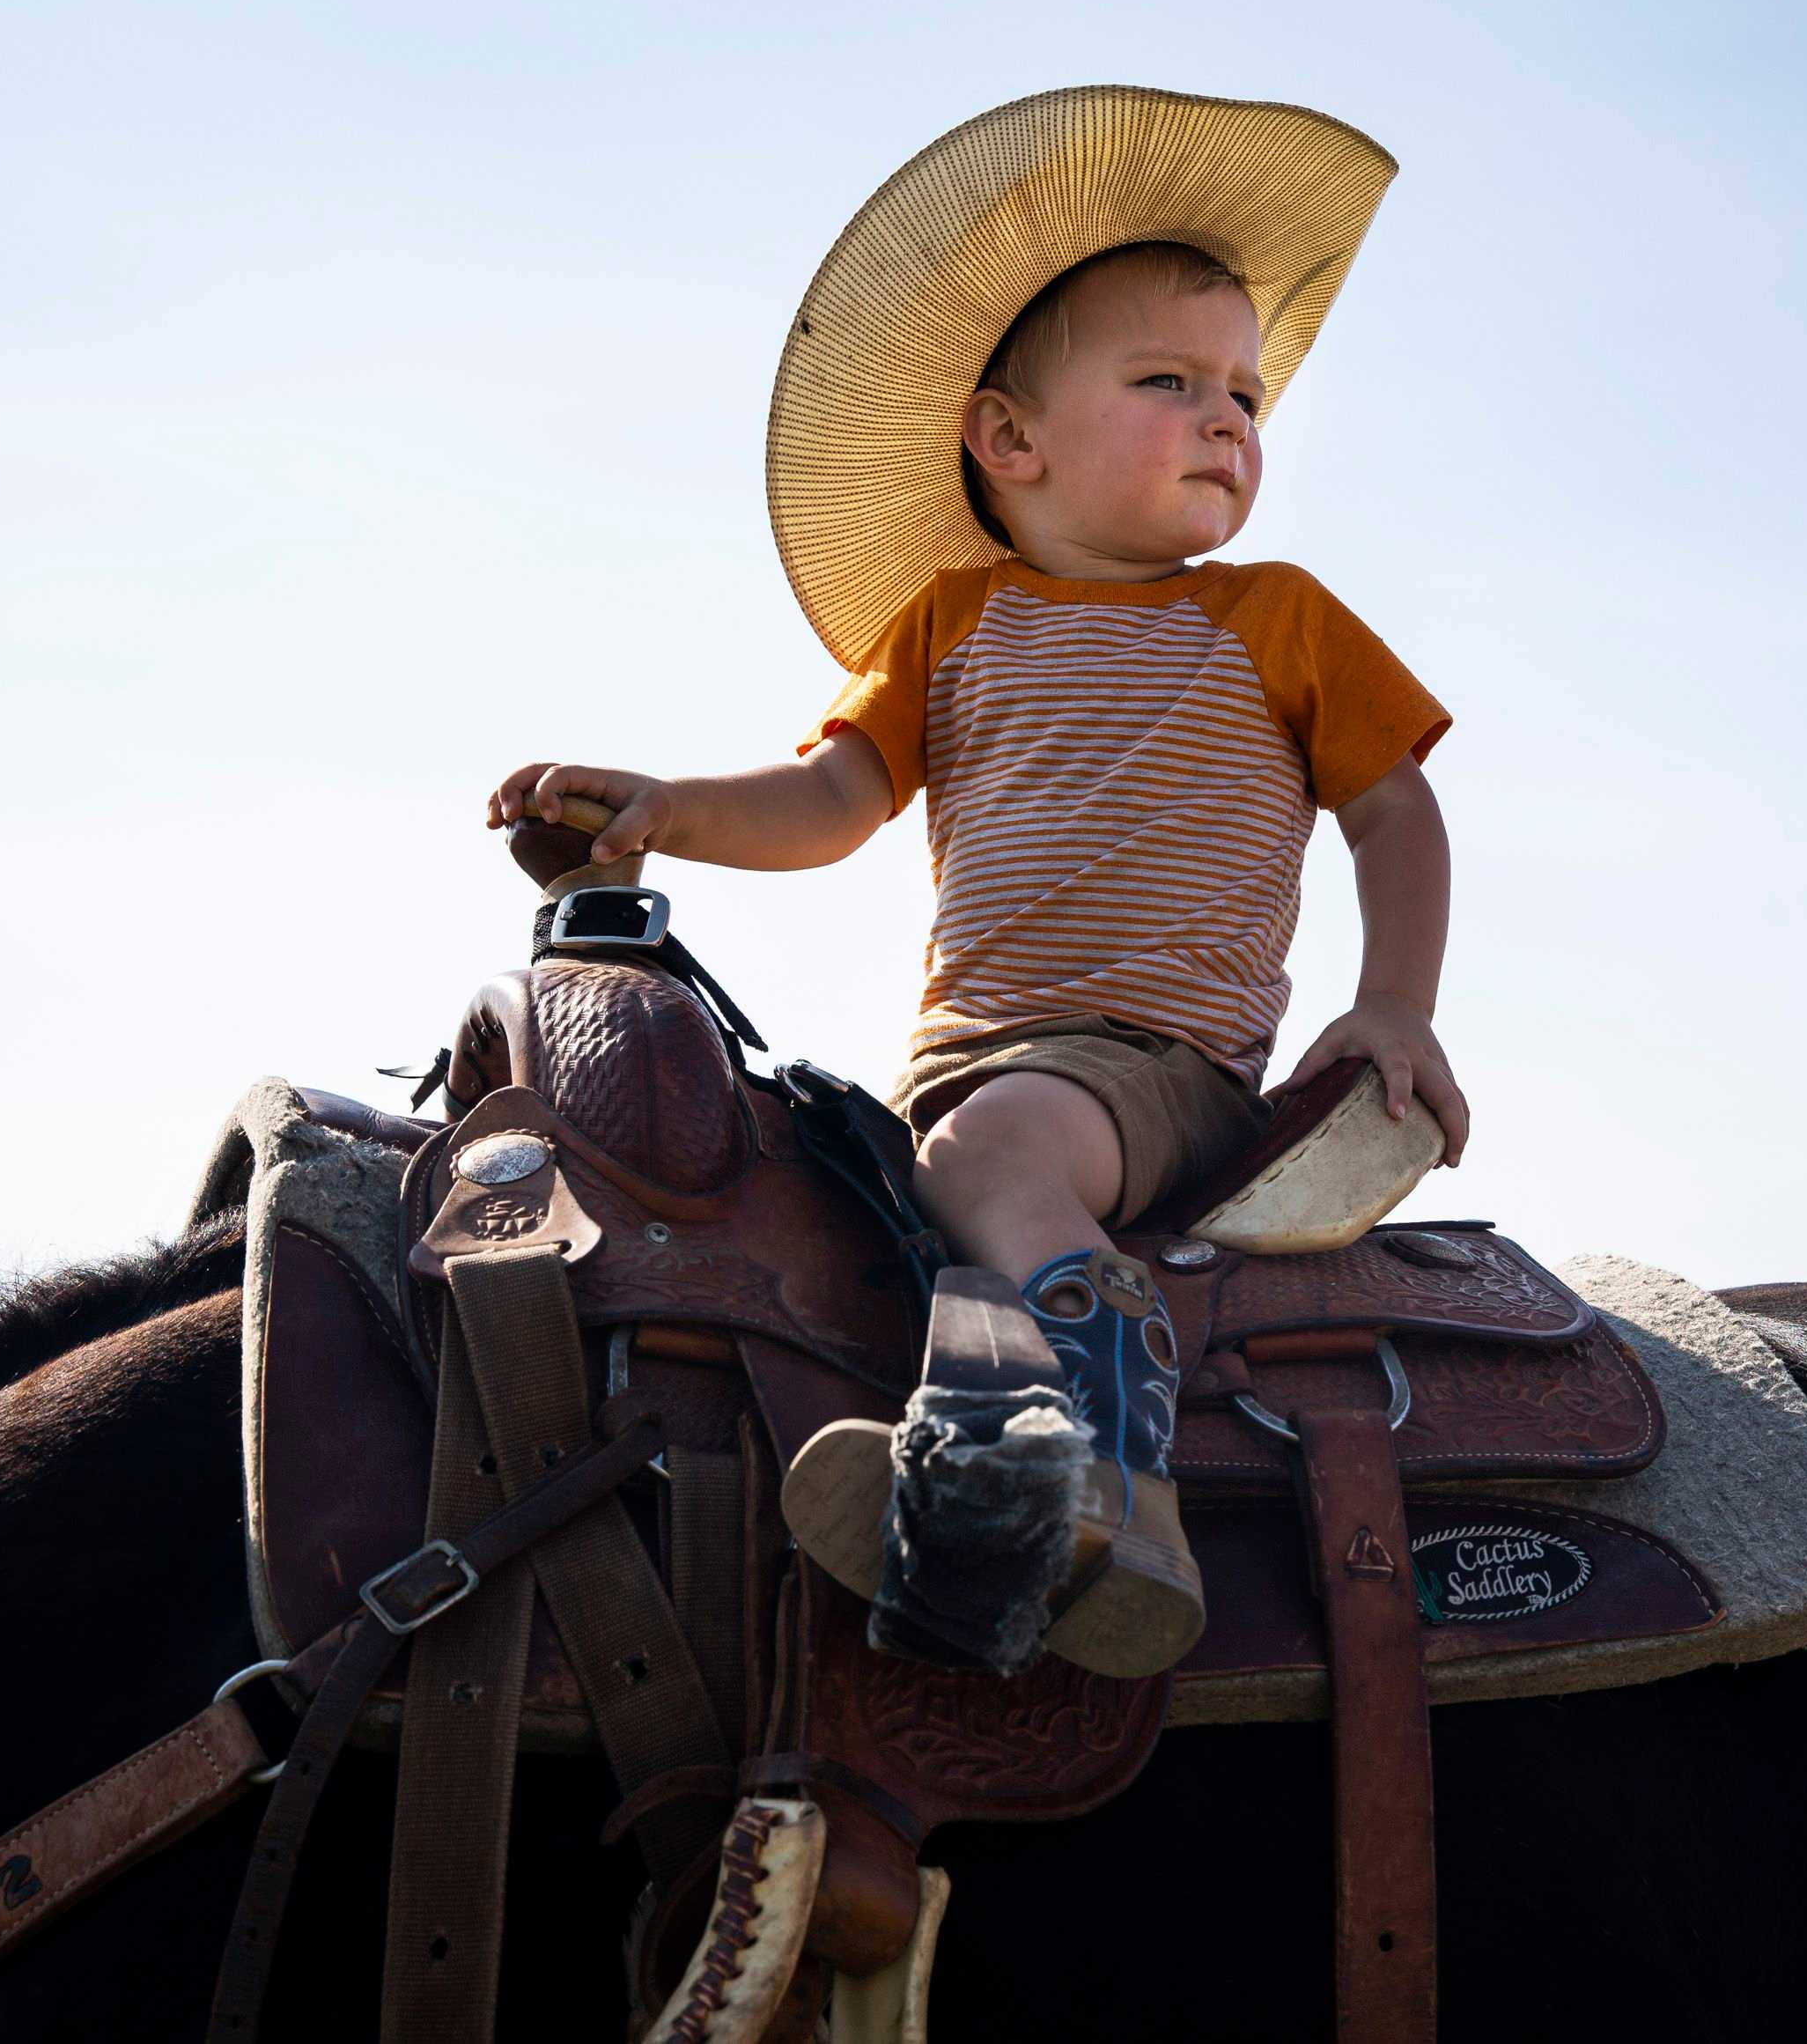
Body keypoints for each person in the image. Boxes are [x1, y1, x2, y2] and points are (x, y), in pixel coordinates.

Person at [483, 87, 1463, 1679]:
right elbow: (826, 801)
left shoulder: (1279, 617)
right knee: (819, 1206)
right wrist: (655, 813)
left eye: (1245, 393)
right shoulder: (951, 623)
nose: (1228, 420)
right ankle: (921, 1461)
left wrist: (1395, 1007)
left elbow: (1396, 817)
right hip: (963, 1076)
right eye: (1170, 381)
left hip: (1161, 1064)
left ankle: (1097, 1443)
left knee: (995, 1156)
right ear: (1008, 439)